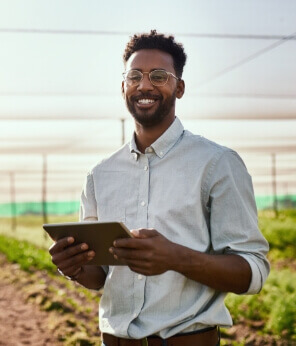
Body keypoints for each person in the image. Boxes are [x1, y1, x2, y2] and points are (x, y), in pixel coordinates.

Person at [49, 30, 270, 346]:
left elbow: (252, 272)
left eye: (158, 76)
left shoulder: (217, 163)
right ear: (123, 86)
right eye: (134, 76)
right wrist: (75, 268)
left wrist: (175, 258)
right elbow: (99, 277)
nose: (144, 85)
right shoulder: (100, 174)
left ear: (179, 87)